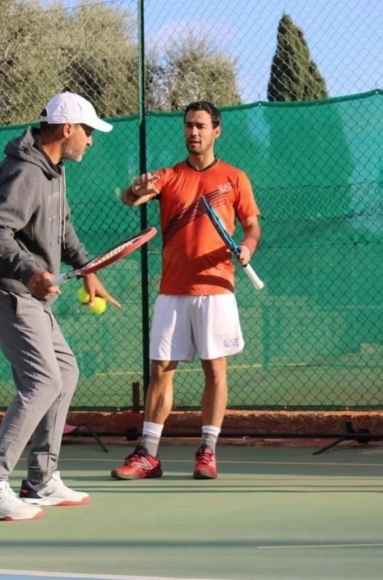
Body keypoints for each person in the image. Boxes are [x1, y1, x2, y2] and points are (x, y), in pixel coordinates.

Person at [0, 91, 120, 520]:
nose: (90, 140)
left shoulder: (54, 171)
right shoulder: (24, 173)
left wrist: (87, 268)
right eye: (87, 131)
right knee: (41, 382)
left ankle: (40, 479)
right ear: (67, 128)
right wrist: (30, 270)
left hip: (31, 293)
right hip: (6, 289)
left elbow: (63, 227)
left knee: (65, 371)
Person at [111, 100, 261, 481]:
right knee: (161, 370)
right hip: (173, 289)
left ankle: (207, 451)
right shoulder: (168, 176)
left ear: (216, 131)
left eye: (200, 126)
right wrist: (134, 189)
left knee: (215, 369)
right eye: (188, 126)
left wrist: (246, 248)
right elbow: (132, 198)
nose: (193, 132)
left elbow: (253, 228)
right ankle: (148, 455)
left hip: (216, 287)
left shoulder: (235, 178)